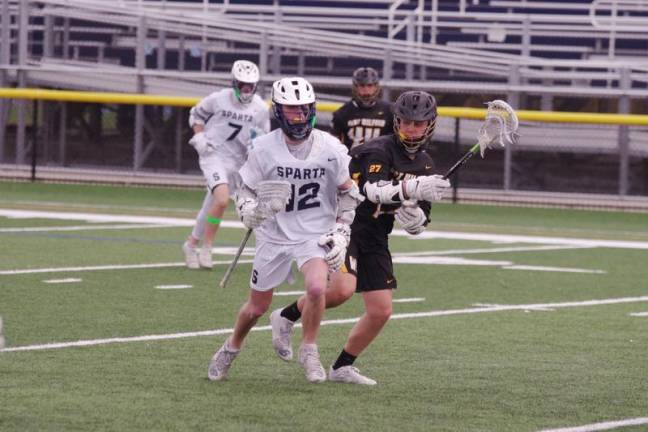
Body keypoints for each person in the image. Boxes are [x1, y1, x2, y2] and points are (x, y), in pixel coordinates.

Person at [270, 90, 451, 385]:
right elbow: (372, 190)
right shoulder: (378, 150)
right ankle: (287, 315)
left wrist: (415, 218)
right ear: (396, 121)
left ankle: (342, 366)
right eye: (405, 122)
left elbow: (421, 222)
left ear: (430, 125)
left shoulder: (426, 164)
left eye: (418, 124)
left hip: (377, 234)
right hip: (345, 224)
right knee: (342, 290)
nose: (410, 129)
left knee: (381, 310)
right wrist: (411, 190)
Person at [207, 77, 363, 383]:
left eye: (304, 110)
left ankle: (310, 350)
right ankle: (231, 347)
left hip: (313, 231)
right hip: (274, 233)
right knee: (256, 308)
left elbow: (348, 192)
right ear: (279, 112)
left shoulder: (330, 147)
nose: (299, 116)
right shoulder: (263, 148)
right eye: (292, 110)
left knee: (318, 287)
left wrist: (342, 229)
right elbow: (245, 192)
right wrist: (250, 212)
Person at [182, 60, 271, 269]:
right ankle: (207, 247)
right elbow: (196, 114)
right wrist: (200, 136)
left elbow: (263, 136)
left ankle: (191, 243)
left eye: (251, 86)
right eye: (243, 85)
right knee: (222, 200)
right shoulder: (219, 99)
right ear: (234, 83)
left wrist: (255, 145)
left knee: (210, 205)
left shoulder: (259, 108)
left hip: (238, 161)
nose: (247, 90)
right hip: (214, 154)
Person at [331, 67, 394, 150]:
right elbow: (333, 145)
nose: (366, 90)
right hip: (352, 161)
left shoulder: (389, 111)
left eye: (370, 85)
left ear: (376, 87)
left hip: (381, 161)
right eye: (362, 85)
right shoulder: (342, 113)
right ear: (355, 87)